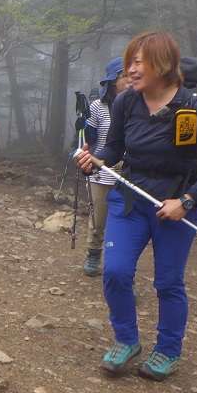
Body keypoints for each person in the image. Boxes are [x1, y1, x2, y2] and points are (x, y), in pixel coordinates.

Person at [74, 31, 197, 380]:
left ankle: (168, 350)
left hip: (174, 205)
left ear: (163, 64)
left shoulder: (192, 107)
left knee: (168, 283)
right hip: (129, 200)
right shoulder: (126, 102)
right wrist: (94, 159)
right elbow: (114, 148)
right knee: (115, 272)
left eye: (138, 61)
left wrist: (187, 202)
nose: (130, 69)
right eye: (129, 61)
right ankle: (126, 340)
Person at [81, 57, 131, 277]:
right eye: (124, 76)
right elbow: (89, 139)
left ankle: (122, 265)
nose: (129, 80)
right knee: (98, 218)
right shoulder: (98, 107)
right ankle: (93, 254)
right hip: (101, 171)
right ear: (113, 81)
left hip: (129, 174)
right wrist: (83, 125)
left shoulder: (139, 105)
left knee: (127, 222)